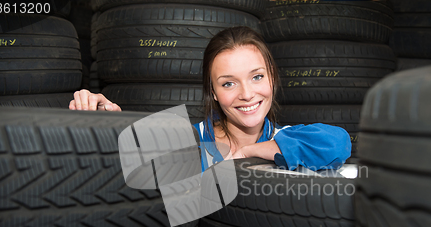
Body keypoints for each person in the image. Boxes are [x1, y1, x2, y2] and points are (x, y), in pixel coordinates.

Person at [69, 27, 351, 172]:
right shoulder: (191, 140)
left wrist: (250, 152)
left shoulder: (284, 137)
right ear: (214, 92)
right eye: (229, 83)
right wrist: (109, 120)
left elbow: (338, 143)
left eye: (256, 77)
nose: (247, 94)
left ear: (272, 78)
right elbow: (132, 155)